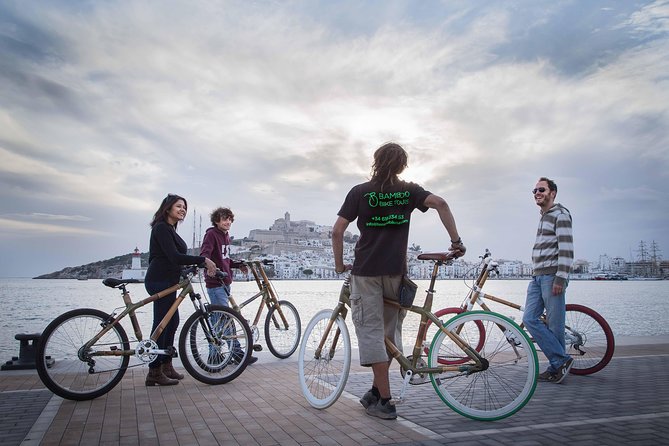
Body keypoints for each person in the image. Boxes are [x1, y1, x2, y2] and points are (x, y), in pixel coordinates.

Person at [332, 142, 465, 420]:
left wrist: (338, 264)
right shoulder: (409, 190)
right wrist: (456, 241)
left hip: (366, 272)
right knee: (389, 334)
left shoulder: (360, 192)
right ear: (402, 166)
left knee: (370, 333)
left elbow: (338, 231)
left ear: (375, 161)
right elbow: (441, 203)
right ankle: (375, 391)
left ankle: (385, 401)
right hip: (396, 272)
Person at [144, 194, 217, 386]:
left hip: (169, 280)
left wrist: (188, 267)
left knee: (172, 321)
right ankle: (154, 371)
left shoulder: (170, 229)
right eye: (178, 206)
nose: (182, 209)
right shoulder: (161, 228)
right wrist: (202, 260)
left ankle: (166, 364)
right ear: (167, 208)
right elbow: (174, 256)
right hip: (159, 280)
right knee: (161, 324)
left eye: (184, 207)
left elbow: (173, 259)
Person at [522, 177, 574, 384]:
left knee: (555, 325)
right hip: (537, 276)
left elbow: (567, 250)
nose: (537, 193)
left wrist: (561, 278)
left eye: (541, 189)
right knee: (530, 318)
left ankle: (557, 367)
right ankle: (560, 361)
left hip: (552, 276)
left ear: (553, 193)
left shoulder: (560, 215)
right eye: (534, 190)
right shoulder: (544, 216)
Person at [199, 207, 258, 365]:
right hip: (215, 284)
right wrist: (208, 265)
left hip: (225, 283)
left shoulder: (226, 237)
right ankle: (233, 353)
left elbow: (225, 260)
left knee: (221, 320)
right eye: (225, 219)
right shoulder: (211, 234)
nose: (228, 222)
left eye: (230, 219)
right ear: (216, 220)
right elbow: (204, 254)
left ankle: (221, 354)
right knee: (223, 320)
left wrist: (238, 265)